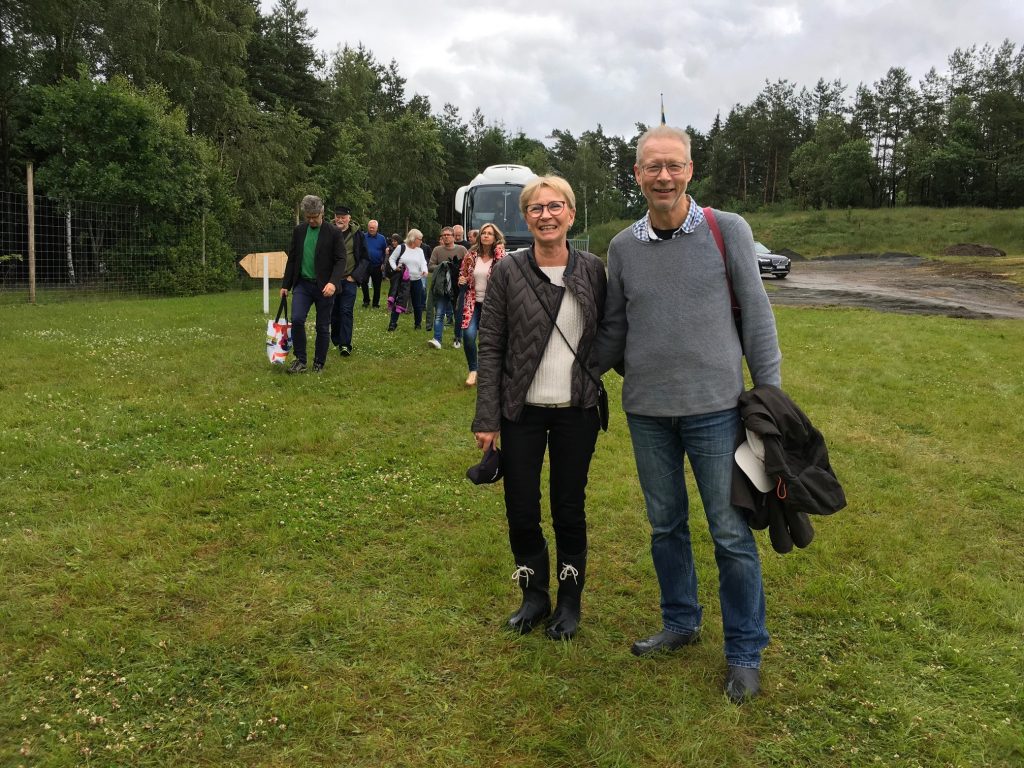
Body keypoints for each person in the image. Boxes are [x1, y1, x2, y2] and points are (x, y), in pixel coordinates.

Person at [593, 125, 783, 703]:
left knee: (730, 533)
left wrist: (770, 403)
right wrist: (570, 371)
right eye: (652, 167)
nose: (663, 176)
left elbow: (757, 317)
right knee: (665, 526)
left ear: (690, 171)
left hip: (715, 411)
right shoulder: (622, 248)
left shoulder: (729, 232)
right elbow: (615, 329)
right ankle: (680, 622)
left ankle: (745, 651)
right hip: (648, 413)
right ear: (637, 175)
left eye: (673, 165)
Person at [472, 176, 607, 640]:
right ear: (525, 218)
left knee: (569, 507)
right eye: (536, 208)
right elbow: (490, 347)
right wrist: (487, 417)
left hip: (577, 410)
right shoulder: (509, 271)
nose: (546, 215)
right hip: (521, 411)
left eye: (555, 206)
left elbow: (610, 335)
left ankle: (569, 602)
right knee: (521, 508)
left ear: (571, 213)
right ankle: (534, 596)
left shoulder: (593, 269)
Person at [280, 195, 345, 373]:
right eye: (308, 217)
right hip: (303, 284)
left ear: (322, 213)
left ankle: (319, 363)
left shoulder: (333, 232)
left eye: (314, 217)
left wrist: (333, 282)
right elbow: (292, 258)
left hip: (325, 287)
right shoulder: (299, 231)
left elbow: (341, 260)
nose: (311, 220)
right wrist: (285, 285)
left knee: (322, 326)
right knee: (298, 319)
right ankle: (300, 360)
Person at [458, 222, 505, 387]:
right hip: (472, 303)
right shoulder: (471, 255)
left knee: (491, 340)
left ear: (495, 237)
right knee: (469, 336)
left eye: (490, 233)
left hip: (493, 305)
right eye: (484, 233)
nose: (486, 235)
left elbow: (506, 279)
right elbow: (462, 275)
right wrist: (462, 280)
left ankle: (492, 372)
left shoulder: (501, 257)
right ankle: (473, 370)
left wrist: (499, 252)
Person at [329, 205, 368, 357]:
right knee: (333, 312)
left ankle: (345, 344)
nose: (340, 219)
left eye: (343, 217)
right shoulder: (328, 232)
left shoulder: (357, 234)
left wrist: (355, 276)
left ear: (349, 219)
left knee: (346, 311)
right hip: (331, 281)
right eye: (338, 216)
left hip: (349, 280)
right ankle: (336, 338)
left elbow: (365, 258)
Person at [426, 226, 468, 349]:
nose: (445, 237)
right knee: (439, 314)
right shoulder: (437, 250)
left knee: (458, 314)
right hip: (442, 286)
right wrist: (443, 266)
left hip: (457, 287)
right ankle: (437, 339)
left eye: (448, 235)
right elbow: (430, 266)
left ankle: (458, 339)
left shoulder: (462, 249)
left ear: (454, 236)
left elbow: (468, 265)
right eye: (443, 235)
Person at [386, 228, 429, 331]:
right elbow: (391, 259)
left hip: (416, 280)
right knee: (399, 301)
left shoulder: (420, 250)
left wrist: (424, 270)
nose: (421, 241)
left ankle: (418, 324)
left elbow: (423, 263)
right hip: (403, 281)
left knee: (417, 304)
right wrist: (395, 267)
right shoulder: (401, 247)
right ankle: (392, 323)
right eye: (420, 239)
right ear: (413, 238)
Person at [362, 219, 388, 308]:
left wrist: (383, 263)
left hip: (377, 266)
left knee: (377, 285)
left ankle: (375, 303)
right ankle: (366, 300)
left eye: (373, 228)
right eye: (370, 227)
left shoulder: (382, 238)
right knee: (364, 283)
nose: (371, 229)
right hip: (365, 265)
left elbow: (385, 252)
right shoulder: (363, 237)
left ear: (377, 228)